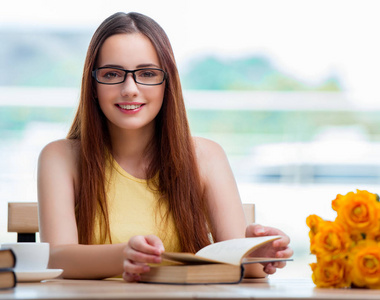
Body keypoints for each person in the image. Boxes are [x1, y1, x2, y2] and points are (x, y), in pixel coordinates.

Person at [37, 11, 293, 282]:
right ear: (93, 85)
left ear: (167, 83)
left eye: (147, 73)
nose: (130, 88)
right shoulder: (59, 157)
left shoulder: (207, 156)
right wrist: (124, 255)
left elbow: (239, 266)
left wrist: (258, 254)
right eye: (112, 74)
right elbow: (56, 258)